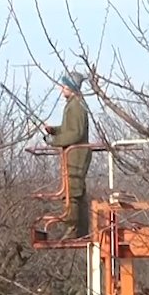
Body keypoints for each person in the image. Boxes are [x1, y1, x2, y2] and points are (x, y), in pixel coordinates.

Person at [44, 70, 92, 237]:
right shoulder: (73, 104)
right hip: (74, 154)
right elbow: (68, 130)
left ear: (71, 87)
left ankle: (73, 230)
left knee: (72, 191)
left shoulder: (77, 106)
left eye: (64, 85)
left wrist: (54, 141)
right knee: (74, 191)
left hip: (76, 155)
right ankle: (80, 230)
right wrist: (54, 131)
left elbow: (76, 134)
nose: (61, 89)